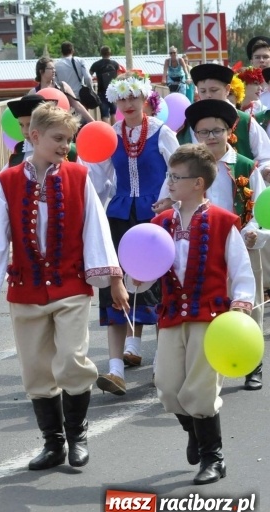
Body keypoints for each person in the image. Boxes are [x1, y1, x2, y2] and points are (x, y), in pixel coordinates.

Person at [0, 103, 129, 472]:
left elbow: (96, 230)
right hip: (27, 289)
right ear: (34, 136)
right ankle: (53, 443)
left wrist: (114, 280)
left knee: (72, 359)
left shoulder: (79, 176)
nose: (65, 145)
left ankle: (77, 435)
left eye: (69, 139)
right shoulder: (7, 182)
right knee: (36, 369)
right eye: (58, 138)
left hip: (71, 286)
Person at [147, 144, 255, 485]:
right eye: (169, 175)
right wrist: (137, 276)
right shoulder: (160, 223)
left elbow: (240, 268)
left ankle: (213, 457)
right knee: (167, 387)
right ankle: (194, 430)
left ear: (198, 183)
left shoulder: (222, 222)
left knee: (201, 390)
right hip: (171, 316)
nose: (169, 182)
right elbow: (147, 270)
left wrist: (241, 303)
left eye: (176, 177)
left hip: (210, 317)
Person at [87, 73, 180, 396]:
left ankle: (161, 363)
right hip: (119, 216)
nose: (128, 104)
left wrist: (169, 199)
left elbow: (177, 170)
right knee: (115, 286)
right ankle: (115, 370)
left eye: (133, 97)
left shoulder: (162, 132)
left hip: (156, 220)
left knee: (160, 290)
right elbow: (97, 177)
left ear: (145, 99)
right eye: (122, 99)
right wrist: (91, 213)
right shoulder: (111, 135)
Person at [167, 100, 268, 392]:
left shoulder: (244, 166)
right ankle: (203, 361)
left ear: (229, 132)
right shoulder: (186, 168)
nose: (211, 137)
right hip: (200, 249)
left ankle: (252, 362)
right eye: (203, 132)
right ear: (195, 135)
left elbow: (260, 209)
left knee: (248, 300)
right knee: (206, 304)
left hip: (241, 244)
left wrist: (253, 231)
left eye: (217, 130)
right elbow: (170, 199)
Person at [177, 63, 270, 179]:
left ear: (227, 89)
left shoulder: (245, 121)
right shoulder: (190, 124)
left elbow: (265, 157)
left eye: (214, 90)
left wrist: (263, 170)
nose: (208, 95)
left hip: (238, 187)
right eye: (203, 91)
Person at [28, 57, 95, 125]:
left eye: (54, 68)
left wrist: (93, 122)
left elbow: (77, 105)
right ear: (41, 71)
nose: (54, 71)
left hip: (64, 125)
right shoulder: (34, 92)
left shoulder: (63, 86)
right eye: (51, 68)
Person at [54, 42, 94, 112]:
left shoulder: (56, 65)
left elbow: (56, 83)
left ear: (61, 52)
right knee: (83, 117)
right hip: (80, 97)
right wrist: (91, 90)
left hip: (65, 98)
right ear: (72, 50)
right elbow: (88, 78)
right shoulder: (80, 61)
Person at [89, 46, 122, 124]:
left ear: (101, 53)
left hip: (101, 91)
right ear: (110, 53)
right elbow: (119, 76)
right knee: (113, 112)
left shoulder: (96, 64)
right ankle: (114, 129)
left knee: (104, 113)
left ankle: (106, 129)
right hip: (113, 90)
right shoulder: (115, 64)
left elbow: (89, 75)